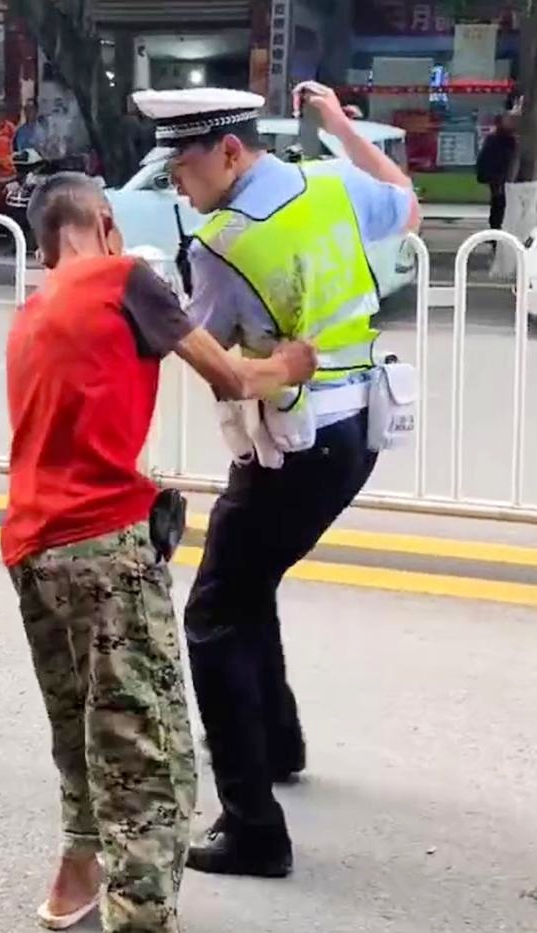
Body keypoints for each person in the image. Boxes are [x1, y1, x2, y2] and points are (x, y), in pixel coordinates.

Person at [2, 172, 316, 933]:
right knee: (149, 753)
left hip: (30, 548)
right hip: (103, 548)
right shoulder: (126, 278)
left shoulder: (33, 309)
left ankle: (74, 880)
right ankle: (140, 919)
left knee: (80, 725)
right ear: (106, 224)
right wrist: (295, 362)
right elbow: (232, 375)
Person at [134, 83, 421, 879]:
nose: (177, 184)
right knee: (250, 580)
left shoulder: (225, 242)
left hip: (294, 447)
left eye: (183, 167)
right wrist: (337, 126)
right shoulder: (329, 181)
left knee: (215, 613)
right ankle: (280, 741)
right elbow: (407, 202)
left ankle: (254, 828)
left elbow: (222, 369)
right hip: (358, 433)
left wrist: (154, 314)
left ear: (230, 152)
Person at [476, 113, 517, 231]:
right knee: (499, 203)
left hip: (501, 176)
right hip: (499, 176)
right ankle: (496, 229)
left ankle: (496, 229)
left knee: (499, 203)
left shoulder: (504, 139)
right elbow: (486, 158)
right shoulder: (502, 139)